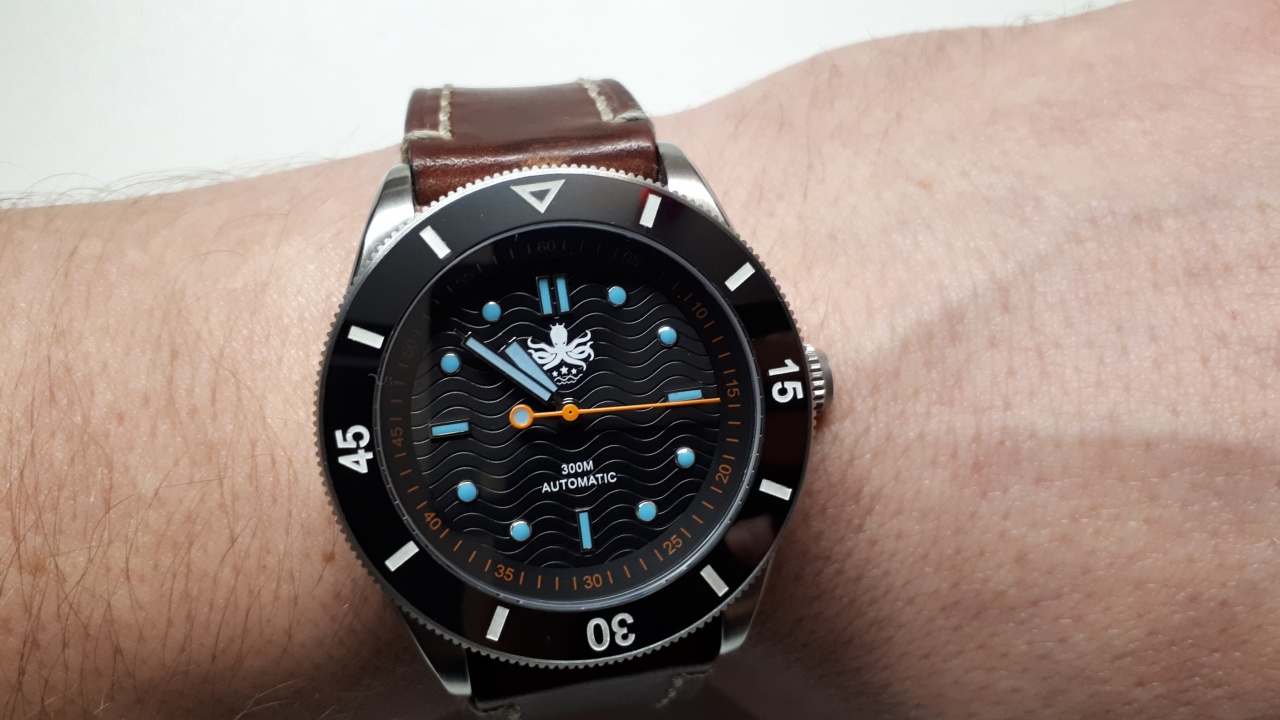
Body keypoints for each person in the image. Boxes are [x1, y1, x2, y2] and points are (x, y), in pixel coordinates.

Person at [3, 0, 1278, 717]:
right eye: (544, 405)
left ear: (795, 385)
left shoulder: (742, 415)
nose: (564, 414)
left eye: (579, 399)